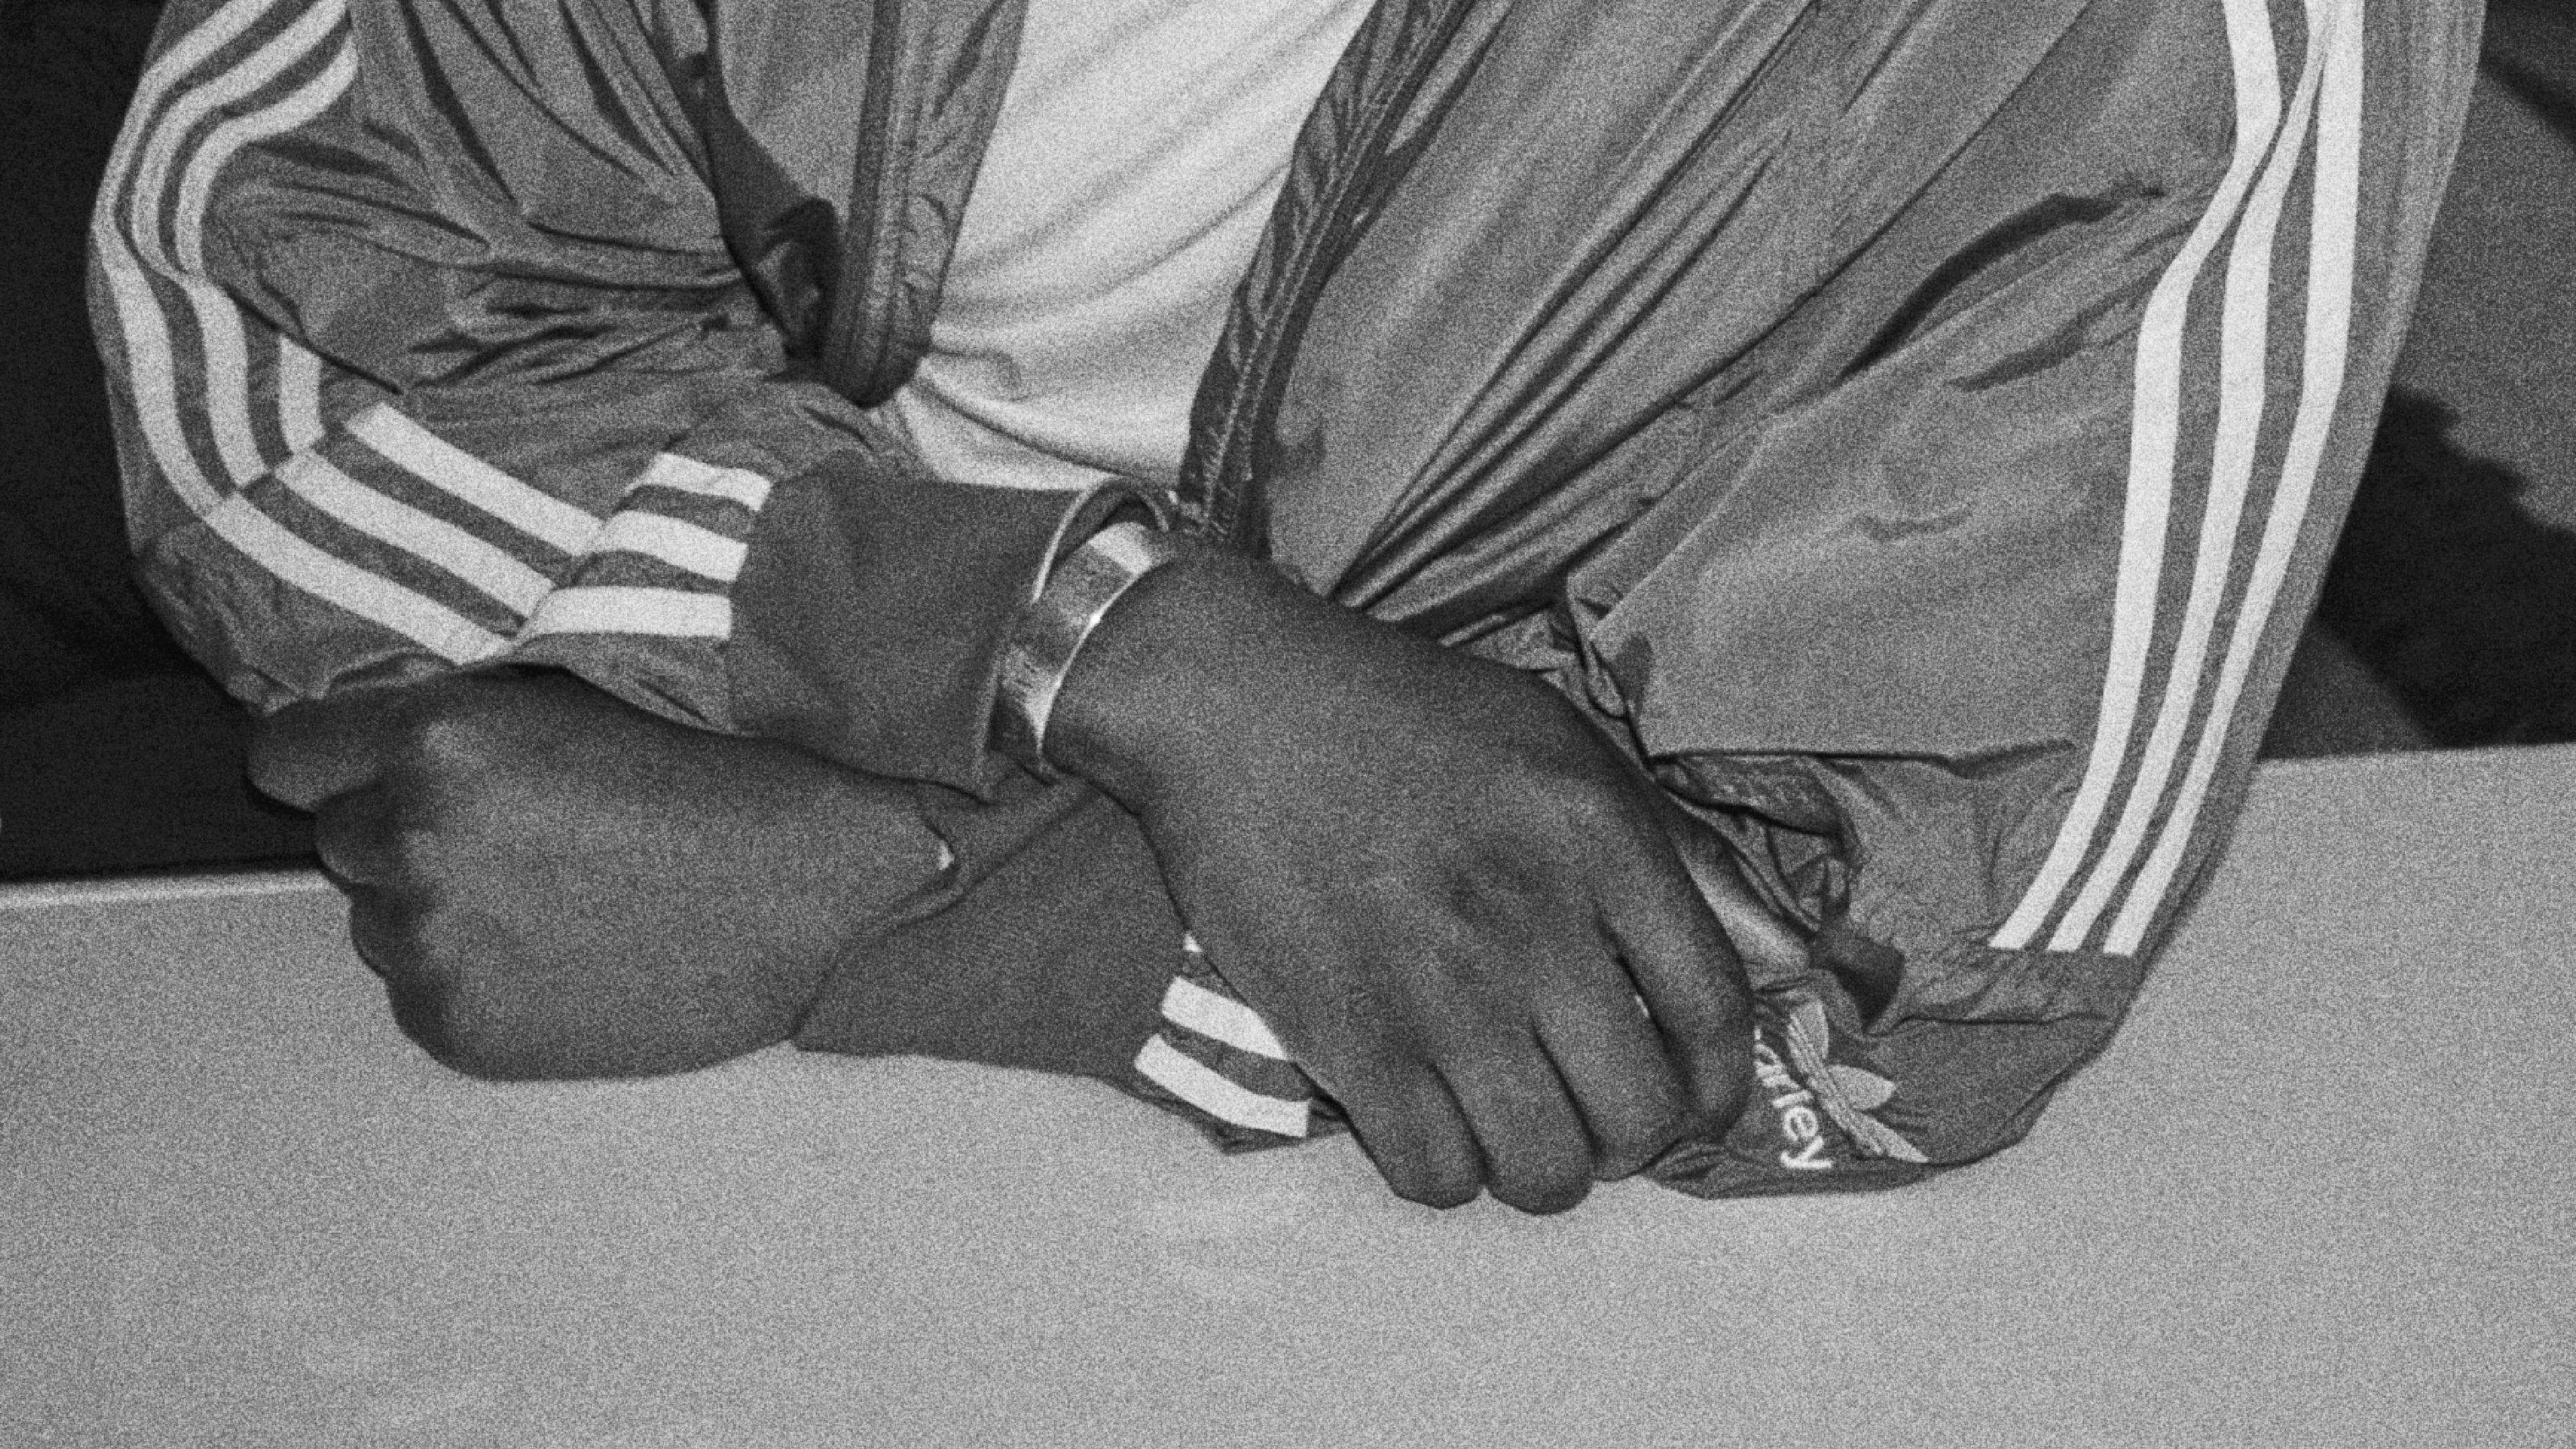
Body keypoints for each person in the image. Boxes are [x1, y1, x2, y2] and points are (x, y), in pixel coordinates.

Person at [93, 0, 2479, 1210]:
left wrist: (908, 905)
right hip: (624, 686)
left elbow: (1909, 977)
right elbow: (292, 317)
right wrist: (1105, 645)